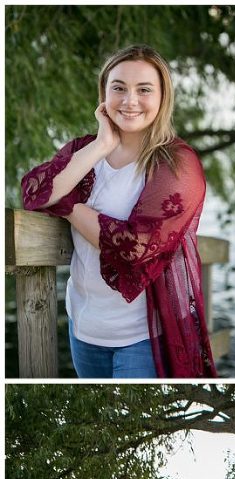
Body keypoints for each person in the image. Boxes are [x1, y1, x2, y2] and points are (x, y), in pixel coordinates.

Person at [21, 45, 216, 379]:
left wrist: (66, 204)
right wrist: (100, 146)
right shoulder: (85, 151)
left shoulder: (177, 164)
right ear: (104, 93)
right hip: (83, 328)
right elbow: (33, 192)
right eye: (119, 88)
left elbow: (133, 249)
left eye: (144, 90)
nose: (130, 101)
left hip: (142, 336)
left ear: (162, 96)